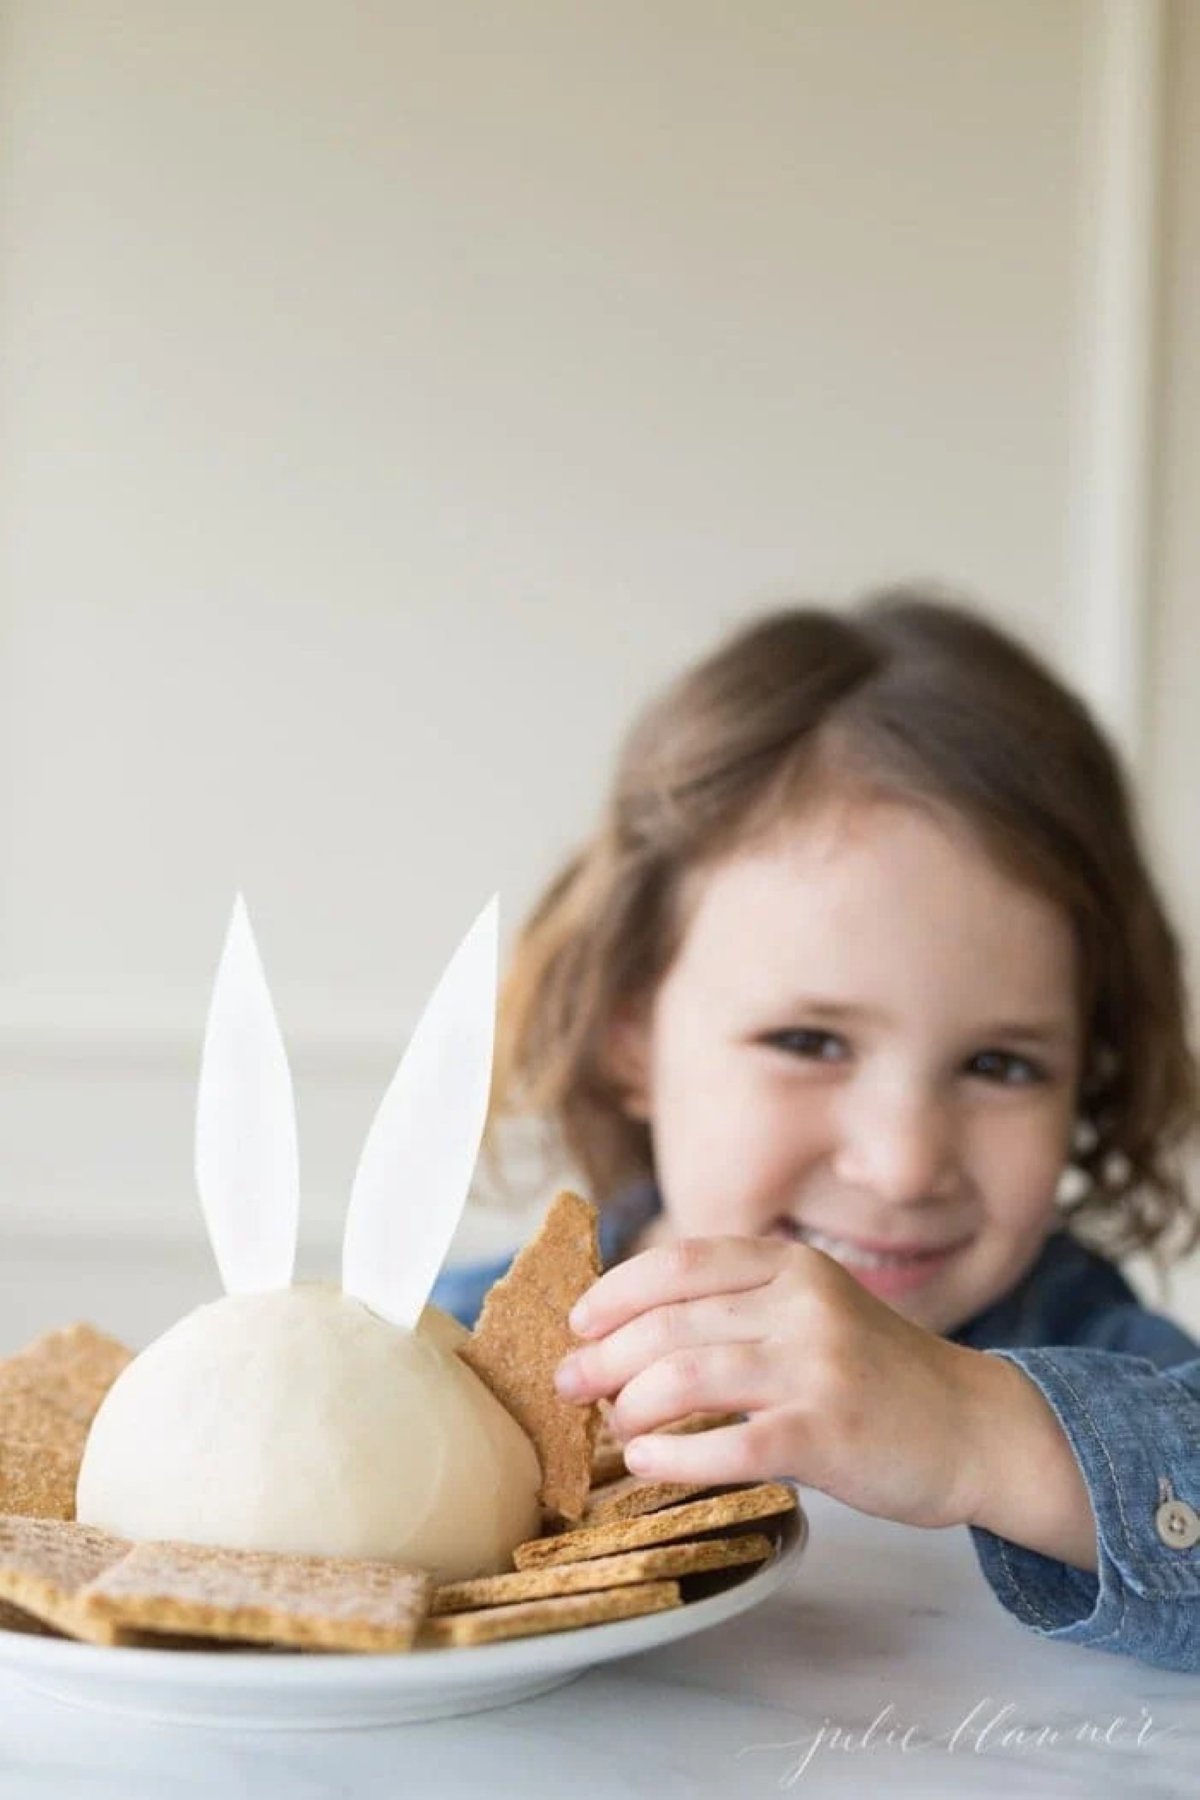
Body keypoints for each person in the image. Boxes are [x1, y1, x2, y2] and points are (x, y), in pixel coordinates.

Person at [432, 591, 1200, 1672]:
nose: (901, 1164)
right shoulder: (460, 1360)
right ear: (631, 1036)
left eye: (1001, 1065)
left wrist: (980, 1432)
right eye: (808, 1041)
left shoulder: (1102, 1353)